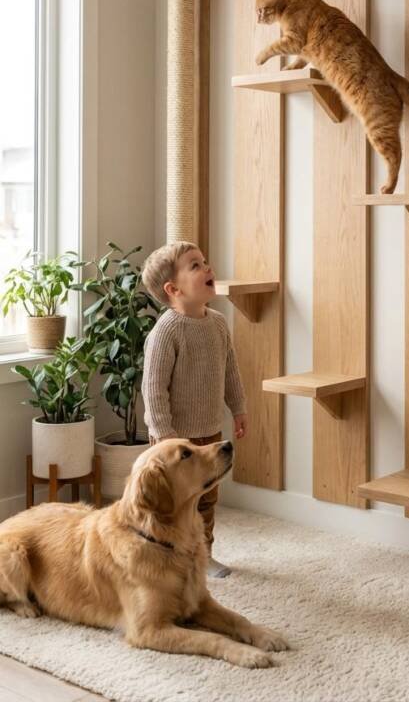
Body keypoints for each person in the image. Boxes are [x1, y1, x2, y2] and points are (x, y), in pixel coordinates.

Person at [141, 241, 247, 577]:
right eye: (195, 266)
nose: (207, 268)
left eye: (205, 261)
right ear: (173, 289)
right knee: (172, 503)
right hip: (174, 440)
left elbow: (230, 370)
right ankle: (164, 557)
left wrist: (238, 408)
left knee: (206, 499)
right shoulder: (166, 332)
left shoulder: (217, 324)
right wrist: (165, 436)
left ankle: (204, 555)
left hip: (209, 432)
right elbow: (153, 388)